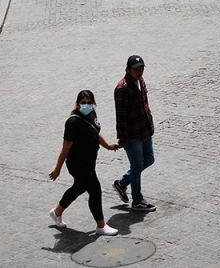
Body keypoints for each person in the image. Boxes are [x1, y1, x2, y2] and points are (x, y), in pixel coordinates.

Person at [48, 89, 121, 236]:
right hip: (77, 164)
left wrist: (107, 146)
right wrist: (57, 169)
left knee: (79, 187)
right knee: (95, 190)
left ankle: (57, 212)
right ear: (77, 104)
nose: (86, 105)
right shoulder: (72, 123)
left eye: (89, 103)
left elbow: (95, 132)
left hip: (89, 162)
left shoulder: (91, 114)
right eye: (83, 103)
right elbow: (65, 148)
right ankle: (101, 226)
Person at [112, 55, 156, 212]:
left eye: (142, 68)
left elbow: (144, 104)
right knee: (137, 166)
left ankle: (122, 183)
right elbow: (121, 116)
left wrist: (150, 125)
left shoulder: (141, 81)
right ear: (128, 69)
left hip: (144, 130)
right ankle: (137, 200)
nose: (140, 71)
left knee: (149, 160)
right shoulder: (122, 89)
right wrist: (123, 139)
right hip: (132, 135)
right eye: (136, 69)